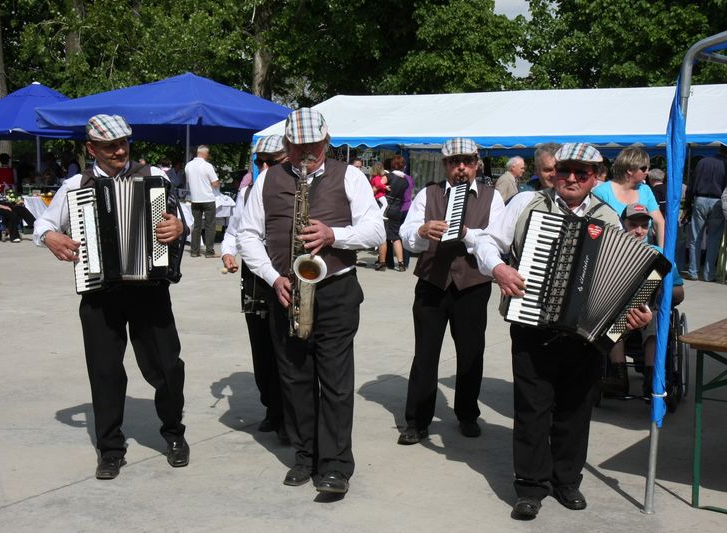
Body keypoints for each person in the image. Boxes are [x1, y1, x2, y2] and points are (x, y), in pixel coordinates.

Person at [472, 142, 652, 519]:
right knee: (531, 407)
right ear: (552, 171)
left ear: (595, 178)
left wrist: (634, 315)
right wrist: (499, 269)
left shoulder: (608, 217)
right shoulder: (525, 204)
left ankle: (567, 481)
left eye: (581, 173)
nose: (570, 178)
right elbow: (487, 240)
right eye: (564, 170)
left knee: (575, 407)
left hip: (584, 333)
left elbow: (623, 278)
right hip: (531, 323)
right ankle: (530, 486)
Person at [236, 108, 384, 496]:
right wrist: (272, 277)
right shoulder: (267, 179)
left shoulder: (350, 176)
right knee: (295, 379)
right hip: (286, 289)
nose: (306, 154)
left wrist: (334, 235)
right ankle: (306, 456)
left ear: (327, 141)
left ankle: (335, 466)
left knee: (335, 381)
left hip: (335, 290)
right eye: (298, 147)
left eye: (314, 146)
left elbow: (375, 230)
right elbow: (247, 236)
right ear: (286, 145)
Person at [33, 114, 189, 480]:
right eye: (110, 146)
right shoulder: (76, 185)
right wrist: (51, 238)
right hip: (101, 292)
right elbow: (43, 224)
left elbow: (184, 222)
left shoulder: (155, 178)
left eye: (123, 143)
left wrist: (178, 227)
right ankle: (110, 449)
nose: (119, 151)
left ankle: (174, 435)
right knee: (104, 373)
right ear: (92, 149)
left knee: (167, 369)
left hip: (150, 289)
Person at [397, 138, 505, 445]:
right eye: (455, 162)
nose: (461, 167)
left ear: (476, 164)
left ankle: (467, 413)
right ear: (445, 164)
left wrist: (467, 233)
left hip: (472, 284)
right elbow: (406, 234)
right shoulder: (428, 193)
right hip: (432, 281)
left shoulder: (492, 197)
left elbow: (498, 239)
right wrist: (419, 232)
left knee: (471, 352)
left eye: (467, 161)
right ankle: (417, 421)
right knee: (426, 353)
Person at [221, 135, 288, 441]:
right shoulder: (248, 190)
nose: (264, 167)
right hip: (255, 281)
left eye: (272, 161)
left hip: (286, 277)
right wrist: (227, 251)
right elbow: (234, 231)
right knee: (262, 350)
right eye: (260, 161)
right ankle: (272, 409)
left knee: (288, 350)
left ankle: (291, 414)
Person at [601, 203, 684, 399]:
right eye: (633, 225)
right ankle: (619, 377)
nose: (639, 231)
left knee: (657, 321)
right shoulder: (612, 253)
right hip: (620, 314)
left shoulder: (661, 255)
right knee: (614, 320)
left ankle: (651, 378)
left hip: (651, 311)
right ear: (623, 224)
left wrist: (665, 289)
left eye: (644, 226)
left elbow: (679, 293)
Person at [592, 147, 664, 246]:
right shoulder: (601, 192)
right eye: (643, 168)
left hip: (641, 252)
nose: (647, 172)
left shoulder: (645, 190)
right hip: (611, 252)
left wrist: (662, 253)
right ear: (630, 170)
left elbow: (659, 222)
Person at [684, 144, 727, 281]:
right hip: (718, 201)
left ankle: (693, 271)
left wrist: (687, 205)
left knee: (695, 238)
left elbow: (692, 184)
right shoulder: (725, 164)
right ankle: (709, 274)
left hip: (700, 199)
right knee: (714, 239)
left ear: (719, 149)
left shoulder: (702, 162)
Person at [185, 145, 220, 257]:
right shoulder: (207, 166)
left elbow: (188, 180)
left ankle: (194, 251)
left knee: (196, 226)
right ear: (205, 154)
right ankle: (209, 251)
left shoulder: (188, 166)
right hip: (208, 199)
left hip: (195, 199)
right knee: (210, 226)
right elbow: (215, 183)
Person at [0, 174, 36, 242]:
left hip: (7, 206)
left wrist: (16, 203)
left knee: (22, 209)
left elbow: (7, 201)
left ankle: (36, 226)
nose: (0, 185)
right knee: (12, 214)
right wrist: (4, 207)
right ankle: (14, 237)